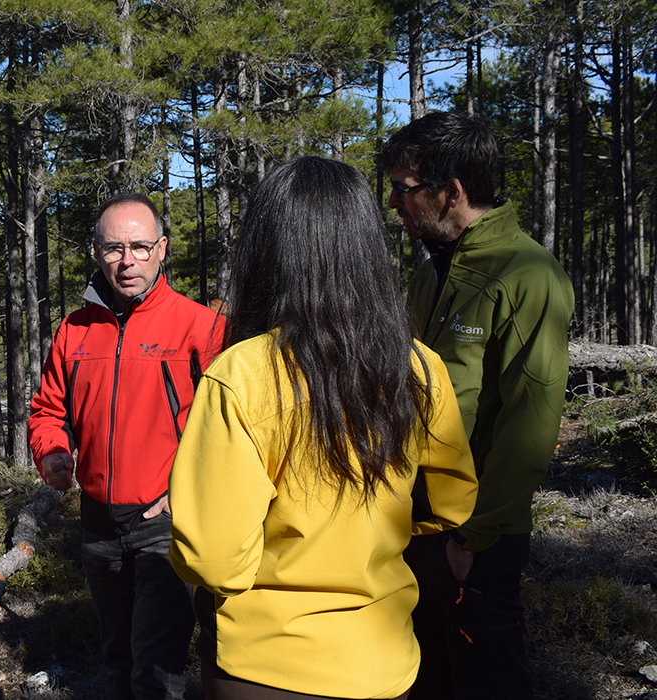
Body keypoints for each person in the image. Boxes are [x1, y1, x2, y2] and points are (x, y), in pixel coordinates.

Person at [168, 156, 479, 700]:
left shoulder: (241, 374)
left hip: (263, 667)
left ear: (268, 250)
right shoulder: (422, 367)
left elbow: (214, 559)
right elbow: (449, 504)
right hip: (384, 663)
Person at [382, 112, 575, 699]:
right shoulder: (430, 274)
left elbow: (531, 421)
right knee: (423, 678)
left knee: (488, 678)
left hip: (474, 536)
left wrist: (475, 538)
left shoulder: (527, 273)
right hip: (413, 522)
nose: (395, 203)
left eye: (405, 188)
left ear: (453, 191)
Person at [29, 192, 223, 700]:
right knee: (117, 661)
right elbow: (47, 409)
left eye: (139, 246)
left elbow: (229, 430)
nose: (127, 260)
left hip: (165, 523)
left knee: (156, 674)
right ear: (96, 252)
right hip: (97, 521)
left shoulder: (199, 327)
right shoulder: (74, 329)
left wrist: (187, 492)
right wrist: (51, 452)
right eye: (114, 248)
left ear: (162, 249)